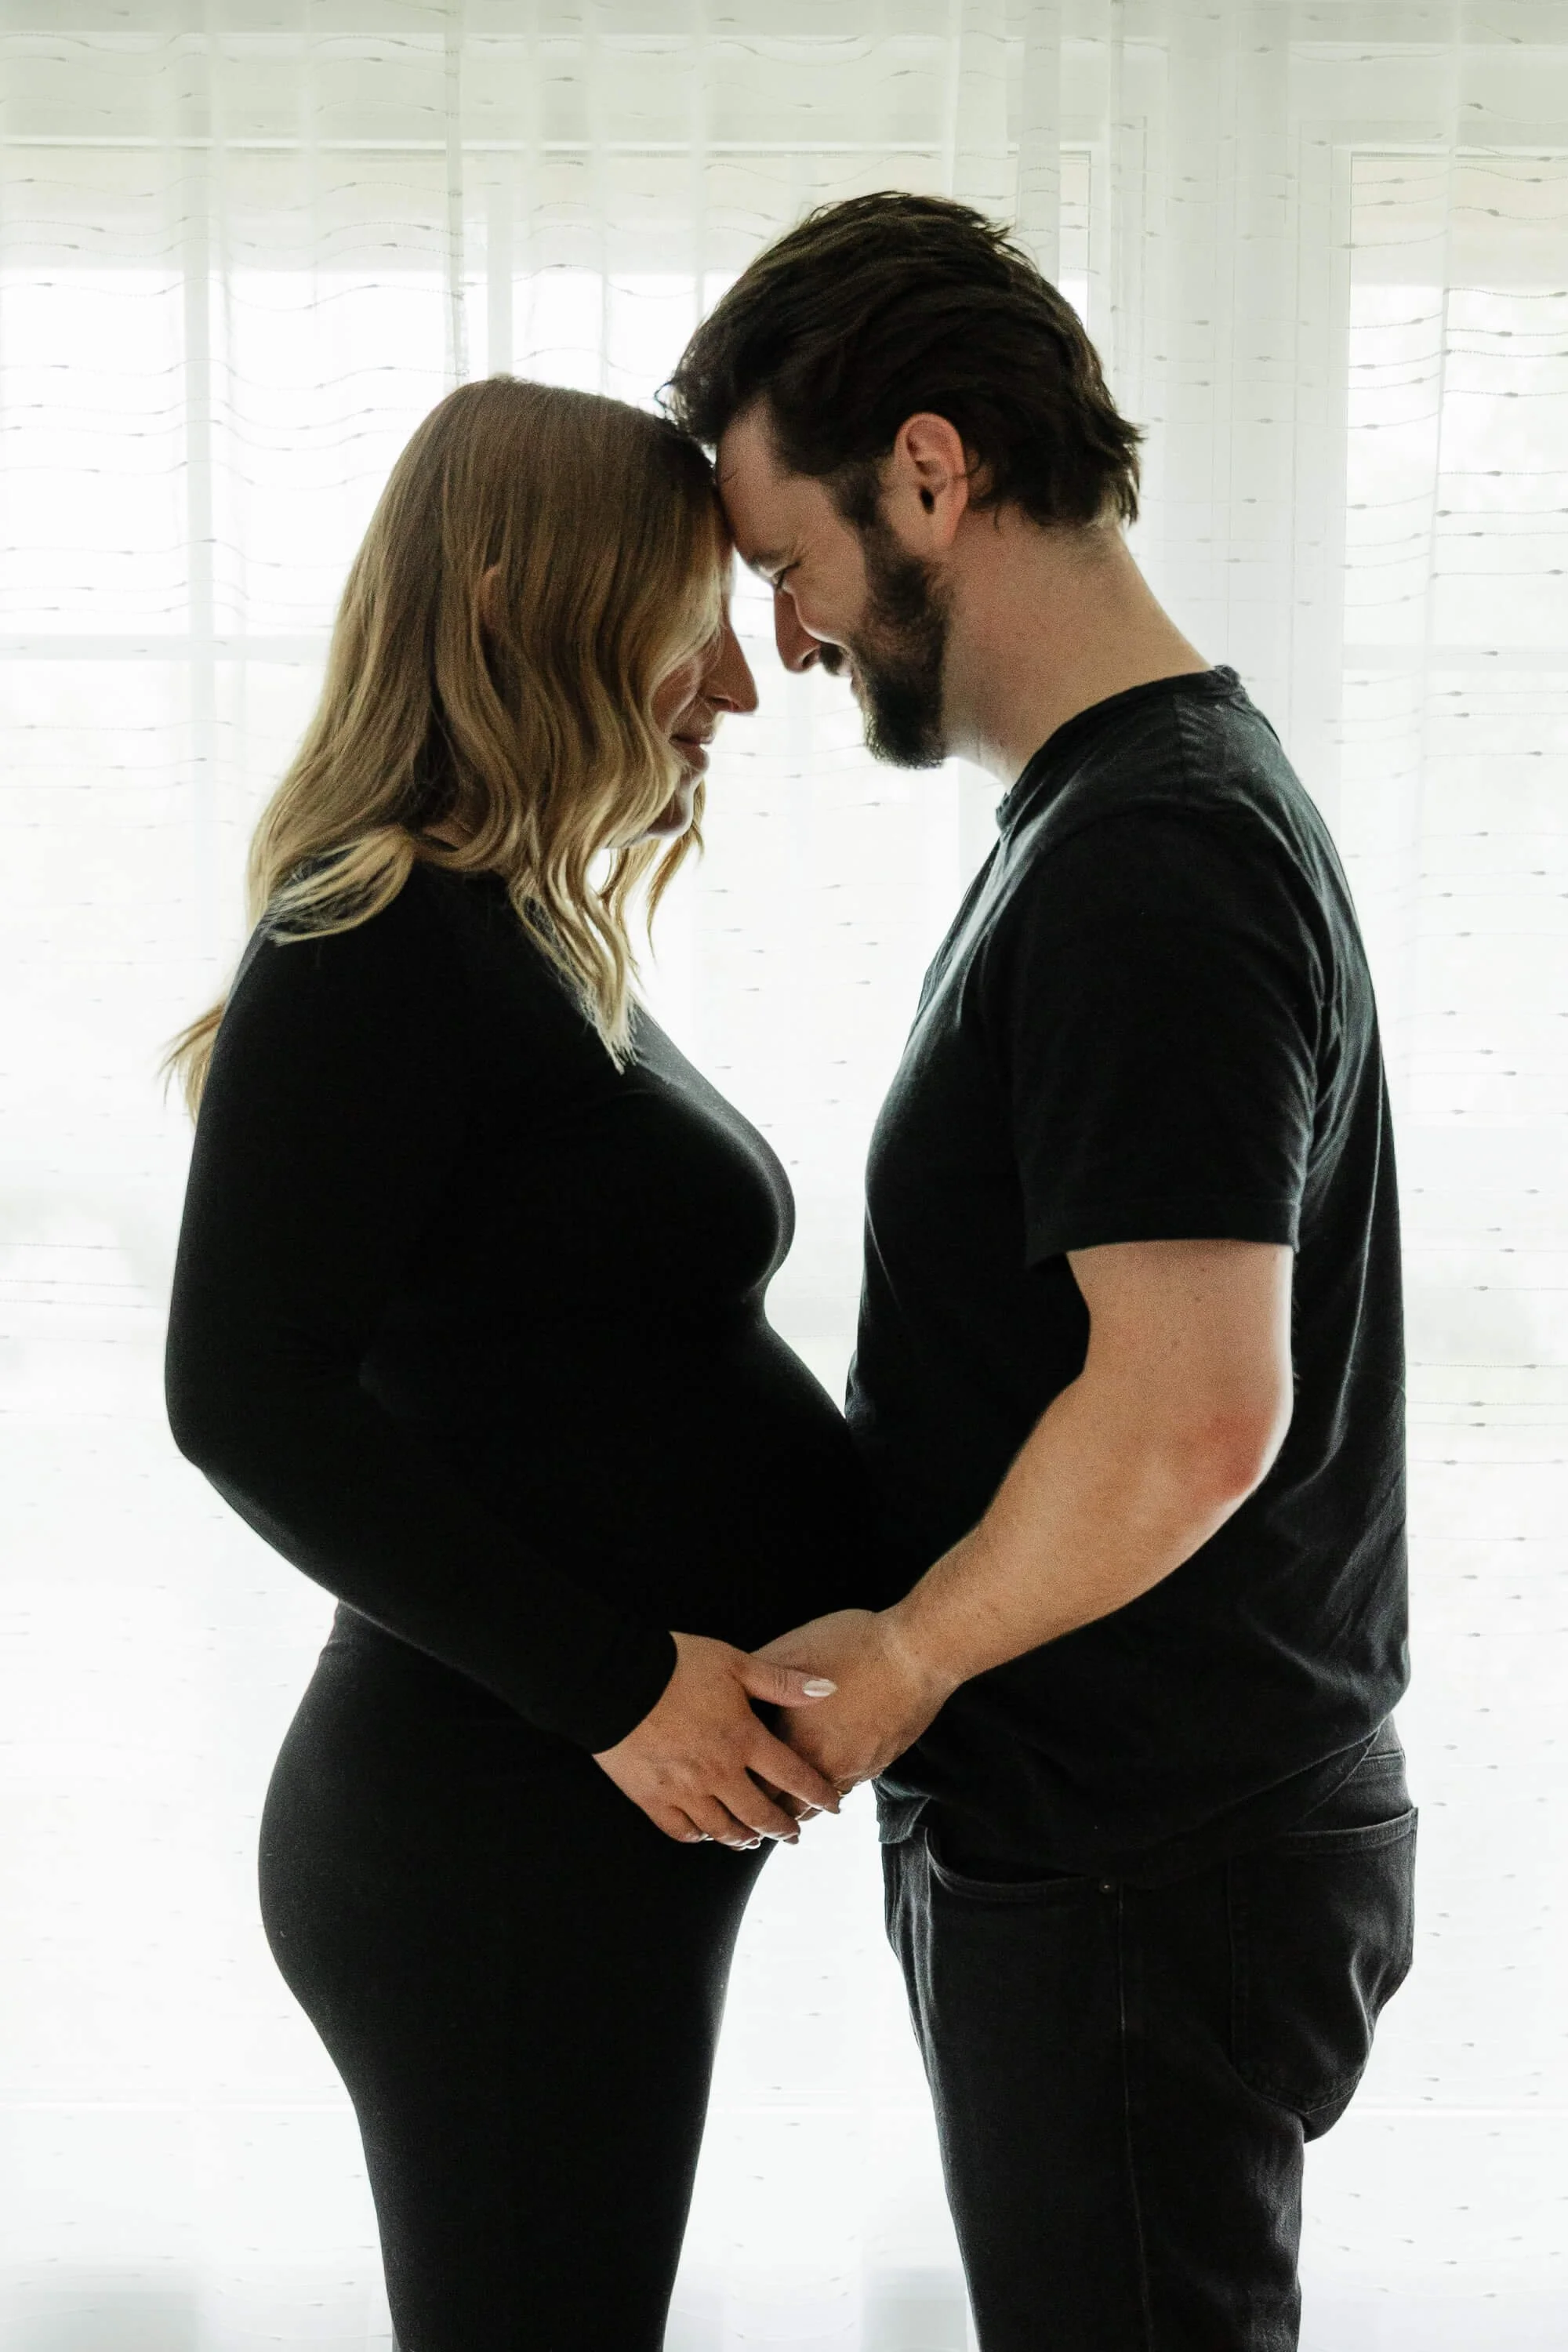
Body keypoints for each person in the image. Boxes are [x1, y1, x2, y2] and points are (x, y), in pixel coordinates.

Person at [665, 193, 1417, 2351]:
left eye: (786, 559)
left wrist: (909, 1659)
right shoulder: (1123, 816)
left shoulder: (1152, 856)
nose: (786, 641)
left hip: (1139, 1856)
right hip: (1130, 1842)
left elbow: (1193, 1411)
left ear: (928, 471)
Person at [162, 376, 902, 2352]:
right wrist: (620, 1687)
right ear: (516, 608)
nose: (734, 685)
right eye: (689, 618)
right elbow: (242, 1396)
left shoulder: (511, 927)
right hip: (492, 1836)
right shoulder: (370, 933)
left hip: (575, 1832)